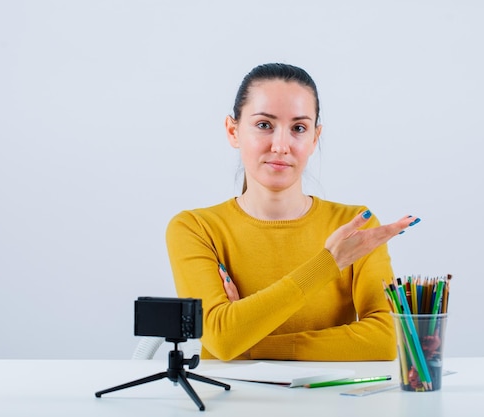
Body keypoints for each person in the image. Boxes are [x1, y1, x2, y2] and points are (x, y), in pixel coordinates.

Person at [165, 63, 420, 361]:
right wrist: (329, 263)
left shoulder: (353, 228)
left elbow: (386, 341)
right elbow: (221, 338)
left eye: (299, 128)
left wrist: (247, 343)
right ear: (233, 131)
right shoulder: (196, 228)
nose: (281, 145)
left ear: (314, 138)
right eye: (264, 125)